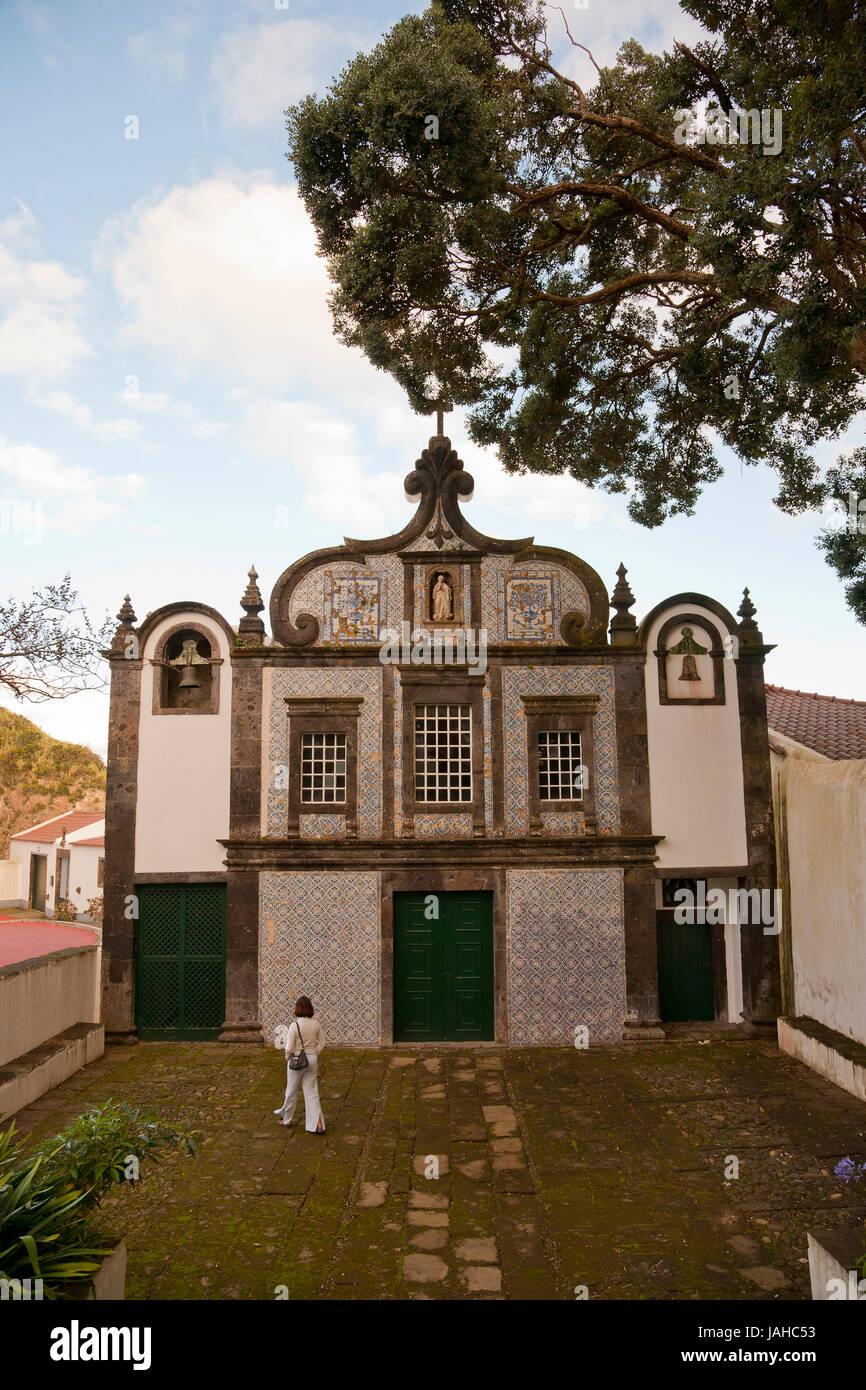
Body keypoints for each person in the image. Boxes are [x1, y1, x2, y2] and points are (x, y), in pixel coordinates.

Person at [274, 996, 326, 1133]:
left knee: (291, 1091)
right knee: (312, 1092)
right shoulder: (316, 1024)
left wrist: (288, 1058)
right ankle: (318, 1125)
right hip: (312, 1059)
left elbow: (289, 1048)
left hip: (297, 1060)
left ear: (297, 1008)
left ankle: (287, 1120)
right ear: (310, 1008)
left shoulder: (294, 1025)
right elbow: (323, 1043)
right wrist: (314, 1054)